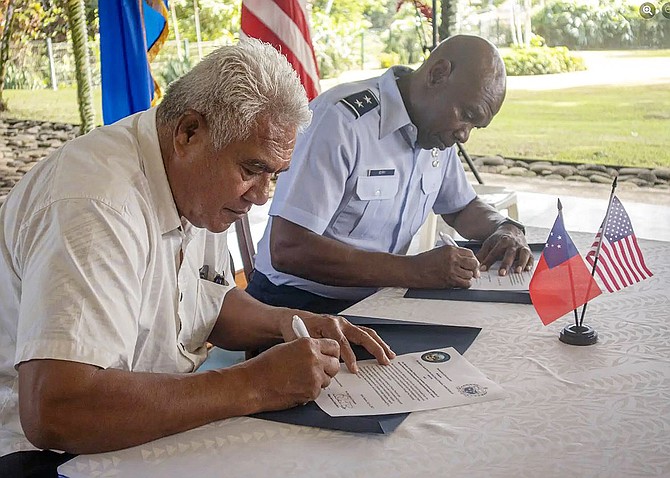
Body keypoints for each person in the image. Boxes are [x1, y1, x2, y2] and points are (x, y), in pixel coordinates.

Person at [0, 39, 394, 471]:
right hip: (46, 454)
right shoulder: (96, 205)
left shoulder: (192, 179)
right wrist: (254, 384)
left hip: (142, 421)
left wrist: (287, 321)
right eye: (252, 170)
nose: (262, 198)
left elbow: (208, 298)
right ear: (189, 132)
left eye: (274, 176)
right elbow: (55, 411)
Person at [247, 35, 533, 314]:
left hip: (380, 298)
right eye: (467, 115)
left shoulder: (436, 133)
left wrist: (505, 228)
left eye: (475, 125)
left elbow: (461, 208)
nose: (464, 134)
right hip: (295, 304)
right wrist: (415, 270)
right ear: (437, 74)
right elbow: (288, 248)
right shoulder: (341, 121)